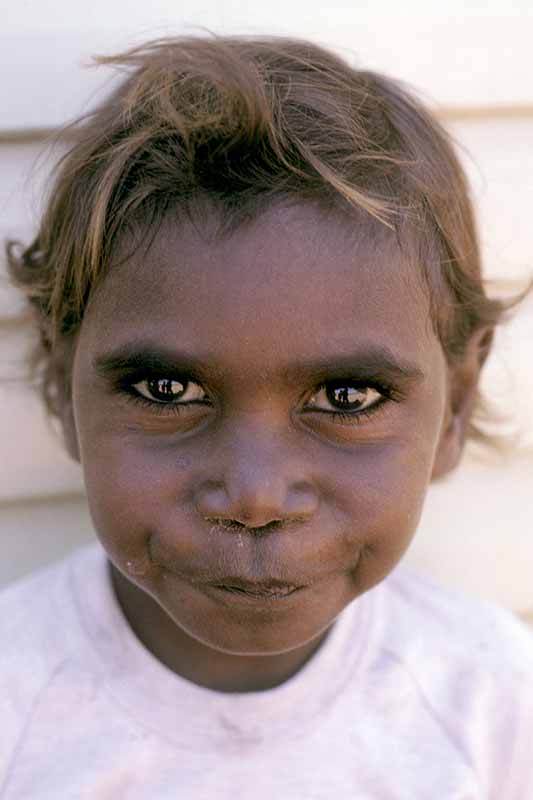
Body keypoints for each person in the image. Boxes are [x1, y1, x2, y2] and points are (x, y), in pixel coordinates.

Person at [1, 34, 532, 798]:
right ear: (60, 384)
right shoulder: (14, 707)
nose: (254, 496)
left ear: (456, 402)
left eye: (346, 397)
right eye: (166, 391)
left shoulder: (487, 698)